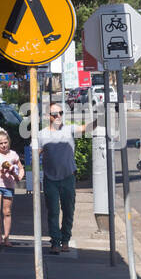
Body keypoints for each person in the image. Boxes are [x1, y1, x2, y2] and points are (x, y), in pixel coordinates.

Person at [39, 102, 84, 255]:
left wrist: (101, 118)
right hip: (50, 178)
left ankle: (65, 240)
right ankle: (55, 242)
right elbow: (35, 153)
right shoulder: (42, 134)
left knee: (68, 210)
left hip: (68, 177)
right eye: (54, 114)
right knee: (53, 211)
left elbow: (85, 129)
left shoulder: (69, 129)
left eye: (60, 113)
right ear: (48, 116)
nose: (58, 116)